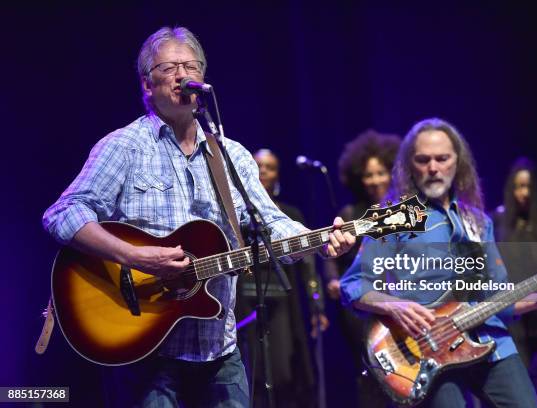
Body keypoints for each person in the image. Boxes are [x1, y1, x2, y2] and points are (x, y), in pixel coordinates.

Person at [42, 26, 354, 408]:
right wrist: (134, 256)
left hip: (219, 350)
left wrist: (319, 240)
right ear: (147, 83)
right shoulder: (123, 147)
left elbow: (271, 223)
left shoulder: (230, 154)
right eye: (169, 66)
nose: (181, 74)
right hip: (145, 349)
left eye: (190, 66)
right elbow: (62, 213)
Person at [340, 117, 537, 407]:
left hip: (489, 341)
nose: (433, 168)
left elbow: (497, 299)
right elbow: (354, 285)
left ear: (458, 163)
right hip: (428, 348)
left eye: (442, 158)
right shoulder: (393, 218)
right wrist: (394, 305)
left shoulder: (479, 221)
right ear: (410, 165)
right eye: (423, 160)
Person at [236, 149, 328, 407]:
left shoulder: (290, 214)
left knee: (283, 369)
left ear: (278, 175)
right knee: (248, 369)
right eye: (258, 165)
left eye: (270, 167)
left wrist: (315, 305)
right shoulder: (235, 213)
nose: (263, 170)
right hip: (242, 298)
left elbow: (308, 267)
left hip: (282, 301)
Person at [323, 129, 401, 407]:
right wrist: (333, 281)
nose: (375, 180)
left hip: (398, 298)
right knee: (370, 367)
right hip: (362, 302)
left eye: (380, 172)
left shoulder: (402, 210)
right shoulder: (350, 213)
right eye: (368, 175)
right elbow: (330, 255)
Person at [492, 157, 537, 366]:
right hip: (517, 317)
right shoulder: (500, 223)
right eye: (517, 187)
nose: (522, 193)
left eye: (527, 187)